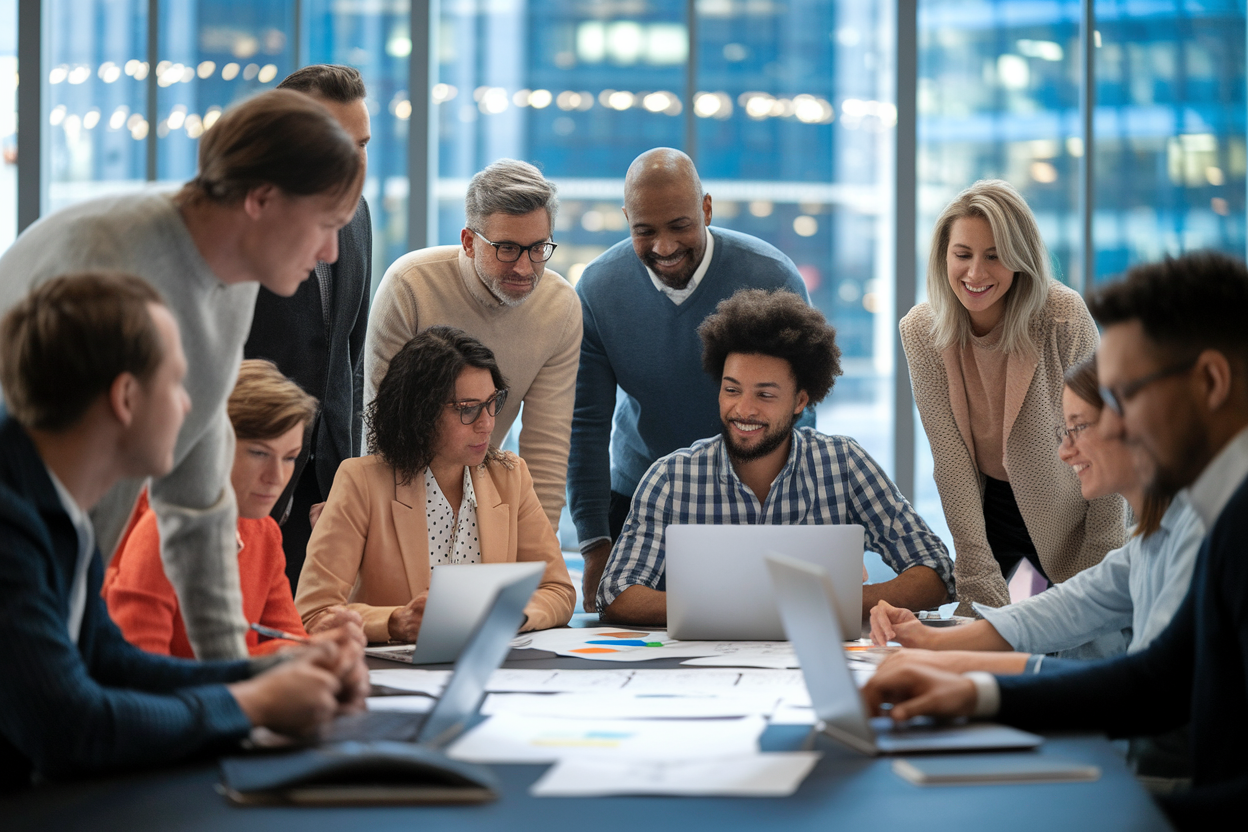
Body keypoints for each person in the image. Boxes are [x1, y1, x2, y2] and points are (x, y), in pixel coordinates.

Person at [862, 251, 1248, 827]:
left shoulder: (1228, 522)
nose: (1110, 429)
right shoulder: (1215, 508)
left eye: (1122, 398)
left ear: (1211, 382)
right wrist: (973, 687)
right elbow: (1161, 680)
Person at [0, 89, 363, 660]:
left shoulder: (234, 274)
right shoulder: (110, 256)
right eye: (325, 224)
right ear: (261, 199)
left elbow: (198, 494)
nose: (331, 253)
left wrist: (241, 683)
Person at [0, 273, 367, 790]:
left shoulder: (60, 504)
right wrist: (252, 703)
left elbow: (111, 663)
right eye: (177, 384)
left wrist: (270, 677)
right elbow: (68, 728)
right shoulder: (12, 525)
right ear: (126, 399)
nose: (192, 408)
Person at [597, 289, 953, 625]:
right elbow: (616, 595)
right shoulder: (672, 477)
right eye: (731, 390)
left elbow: (937, 572)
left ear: (800, 401)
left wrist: (835, 603)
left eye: (765, 395)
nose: (743, 409)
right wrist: (749, 607)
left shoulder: (843, 464)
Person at [571, 147, 813, 611]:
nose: (663, 246)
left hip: (751, 500)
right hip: (639, 500)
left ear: (705, 208)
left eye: (679, 226)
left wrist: (801, 523)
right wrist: (594, 543)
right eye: (645, 231)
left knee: (753, 629)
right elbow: (585, 426)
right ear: (626, 219)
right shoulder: (599, 288)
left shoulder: (771, 276)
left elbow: (799, 414)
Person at [870, 356, 1203, 665]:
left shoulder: (1197, 535)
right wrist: (930, 641)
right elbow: (1062, 609)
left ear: (1133, 425)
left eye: (1079, 427)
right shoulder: (1143, 545)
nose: (1064, 451)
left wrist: (972, 684)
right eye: (1063, 432)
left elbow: (1151, 685)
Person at [900, 179, 1125, 611]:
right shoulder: (922, 332)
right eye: (962, 255)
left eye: (995, 256)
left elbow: (1106, 442)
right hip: (996, 521)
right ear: (943, 256)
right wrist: (977, 576)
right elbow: (952, 463)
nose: (975, 274)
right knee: (1000, 649)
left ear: (1020, 259)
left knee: (1079, 654)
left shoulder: (1062, 316)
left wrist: (1104, 562)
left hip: (1079, 513)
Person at [298, 326, 576, 642]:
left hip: (490, 669)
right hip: (392, 674)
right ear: (420, 413)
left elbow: (558, 591)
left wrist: (511, 615)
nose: (487, 423)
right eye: (468, 409)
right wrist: (394, 622)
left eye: (492, 402)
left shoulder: (510, 476)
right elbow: (314, 612)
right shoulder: (361, 480)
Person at [365, 159, 580, 533]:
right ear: (468, 242)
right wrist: (390, 532)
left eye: (538, 248)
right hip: (398, 494)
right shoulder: (410, 286)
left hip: (482, 500)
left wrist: (537, 553)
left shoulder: (559, 307)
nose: (526, 268)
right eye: (508, 248)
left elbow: (545, 452)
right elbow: (382, 434)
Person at [244, 65, 374, 592]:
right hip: (246, 479)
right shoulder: (247, 223)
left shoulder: (360, 214)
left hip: (324, 482)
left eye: (362, 144)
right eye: (337, 145)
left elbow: (349, 352)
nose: (355, 163)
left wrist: (346, 470)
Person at [104, 360, 324, 657]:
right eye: (260, 453)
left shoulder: (264, 532)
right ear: (212, 443)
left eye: (290, 458)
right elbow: (140, 672)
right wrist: (274, 662)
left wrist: (327, 648)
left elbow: (292, 643)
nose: (276, 478)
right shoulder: (163, 528)